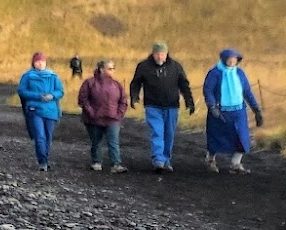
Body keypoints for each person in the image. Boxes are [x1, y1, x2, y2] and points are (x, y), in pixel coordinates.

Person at [129, 41, 194, 173]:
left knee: (169, 134)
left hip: (172, 106)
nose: (160, 57)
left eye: (162, 54)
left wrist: (189, 101)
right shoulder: (144, 66)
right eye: (157, 54)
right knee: (157, 132)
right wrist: (134, 96)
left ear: (166, 54)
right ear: (153, 54)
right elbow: (135, 83)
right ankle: (158, 159)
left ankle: (166, 160)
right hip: (153, 105)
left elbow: (184, 85)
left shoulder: (175, 66)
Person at [202, 49, 265, 174]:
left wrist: (256, 110)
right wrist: (212, 106)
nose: (232, 61)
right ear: (224, 59)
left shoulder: (240, 73)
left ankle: (236, 164)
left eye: (234, 59)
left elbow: (247, 92)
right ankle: (210, 160)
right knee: (216, 138)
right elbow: (208, 90)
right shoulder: (215, 73)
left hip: (238, 112)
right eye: (230, 59)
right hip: (220, 113)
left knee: (242, 138)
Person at [77, 59, 128, 173]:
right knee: (96, 141)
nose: (112, 71)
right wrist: (91, 112)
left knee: (113, 142)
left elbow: (123, 101)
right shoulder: (89, 83)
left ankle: (116, 164)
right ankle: (96, 162)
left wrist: (119, 114)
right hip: (94, 119)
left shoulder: (117, 84)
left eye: (113, 68)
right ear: (102, 70)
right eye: (110, 68)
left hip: (113, 118)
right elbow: (83, 99)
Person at [18, 52, 65, 171]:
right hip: (35, 109)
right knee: (40, 136)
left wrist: (52, 95)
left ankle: (45, 158)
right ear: (33, 63)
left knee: (48, 137)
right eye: (38, 61)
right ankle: (42, 161)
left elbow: (60, 91)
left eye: (43, 61)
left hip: (51, 110)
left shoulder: (53, 76)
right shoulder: (27, 76)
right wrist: (38, 96)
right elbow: (22, 91)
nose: (40, 63)